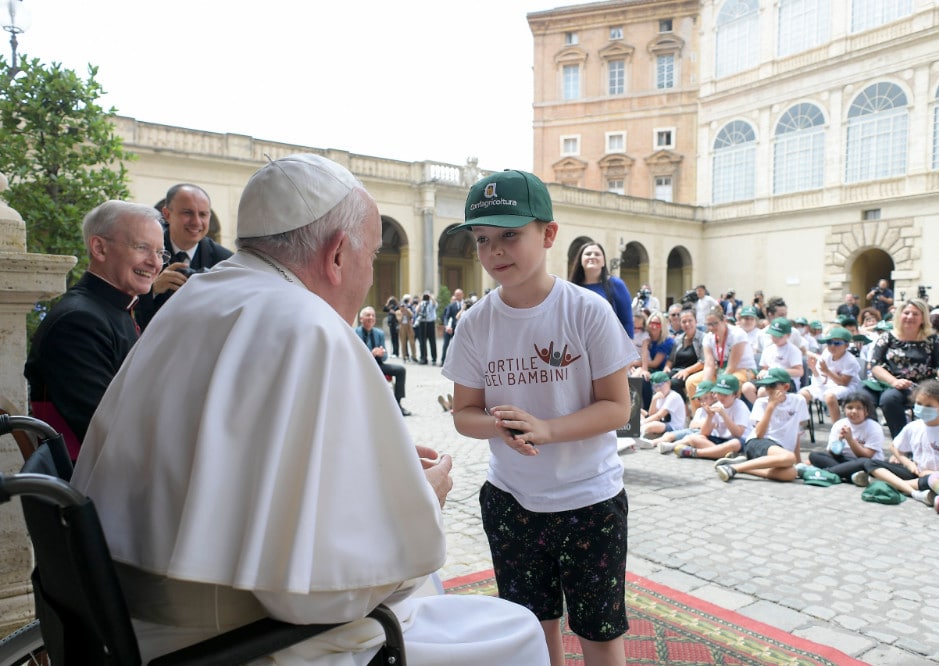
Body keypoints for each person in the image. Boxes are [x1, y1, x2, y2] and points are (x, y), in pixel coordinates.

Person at [70, 154, 548, 664]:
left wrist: (370, 462)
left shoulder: (195, 298)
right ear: (339, 253)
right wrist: (419, 498)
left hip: (134, 618)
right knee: (516, 631)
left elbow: (244, 461)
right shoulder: (310, 328)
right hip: (241, 641)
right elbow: (325, 592)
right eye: (372, 255)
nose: (368, 277)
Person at [442, 169, 637, 666]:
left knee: (600, 631)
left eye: (511, 235)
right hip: (511, 503)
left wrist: (548, 429)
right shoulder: (475, 322)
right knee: (531, 631)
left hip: (589, 501)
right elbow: (466, 414)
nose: (495, 252)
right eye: (483, 240)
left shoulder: (587, 311)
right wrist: (500, 426)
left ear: (548, 234)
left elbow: (618, 406)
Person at [24, 200, 165, 459]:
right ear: (99, 247)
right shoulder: (77, 322)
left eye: (160, 252)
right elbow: (107, 429)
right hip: (91, 483)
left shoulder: (114, 308)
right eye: (142, 247)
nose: (155, 263)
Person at [134, 184, 233, 328]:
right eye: (187, 213)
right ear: (167, 215)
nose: (196, 222)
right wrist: (153, 289)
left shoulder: (225, 260)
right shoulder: (142, 252)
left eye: (203, 214)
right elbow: (125, 304)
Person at [857, 380, 939, 505]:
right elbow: (894, 447)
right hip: (916, 473)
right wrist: (908, 463)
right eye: (919, 403)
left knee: (931, 480)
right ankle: (912, 491)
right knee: (871, 464)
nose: (923, 408)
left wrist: (938, 473)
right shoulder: (913, 426)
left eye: (929, 406)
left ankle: (891, 483)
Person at [866, 299, 939, 438]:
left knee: (891, 399)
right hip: (891, 382)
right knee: (877, 398)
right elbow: (875, 365)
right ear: (899, 315)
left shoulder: (933, 339)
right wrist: (894, 382)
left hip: (923, 385)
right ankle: (899, 441)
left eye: (915, 314)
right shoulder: (887, 337)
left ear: (923, 318)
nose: (910, 317)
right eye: (906, 313)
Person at [715, 368, 809, 483]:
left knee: (790, 473)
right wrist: (771, 407)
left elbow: (796, 432)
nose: (768, 389)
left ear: (786, 387)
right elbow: (759, 434)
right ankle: (734, 468)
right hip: (758, 442)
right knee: (789, 457)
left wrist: (799, 461)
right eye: (766, 386)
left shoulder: (799, 401)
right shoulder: (761, 403)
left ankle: (745, 467)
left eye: (772, 385)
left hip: (780, 452)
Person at [806, 391, 884, 482]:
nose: (854, 411)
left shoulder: (874, 427)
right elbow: (833, 453)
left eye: (859, 408)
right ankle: (851, 476)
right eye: (850, 408)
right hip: (843, 460)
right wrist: (839, 440)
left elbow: (867, 456)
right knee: (815, 455)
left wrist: (850, 440)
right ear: (844, 409)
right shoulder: (839, 424)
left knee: (864, 463)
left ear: (866, 411)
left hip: (864, 463)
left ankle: (827, 472)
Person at [673, 374, 750, 461]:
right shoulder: (717, 405)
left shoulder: (740, 407)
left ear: (735, 394)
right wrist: (709, 416)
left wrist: (724, 415)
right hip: (720, 440)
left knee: (735, 443)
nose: (721, 397)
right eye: (719, 393)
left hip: (737, 441)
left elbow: (738, 434)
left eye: (725, 394)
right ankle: (723, 455)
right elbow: (704, 433)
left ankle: (695, 453)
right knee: (695, 437)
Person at [570, 242, 634, 337]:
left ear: (603, 261)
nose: (592, 256)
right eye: (588, 254)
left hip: (609, 344)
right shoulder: (572, 288)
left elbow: (627, 321)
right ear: (580, 260)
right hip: (578, 345)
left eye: (597, 254)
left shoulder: (616, 285)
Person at [357, 306, 412, 416]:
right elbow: (355, 355)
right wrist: (371, 354)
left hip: (378, 366)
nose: (371, 317)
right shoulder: (355, 333)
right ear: (361, 318)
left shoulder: (379, 333)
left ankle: (397, 405)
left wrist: (382, 354)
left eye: (373, 315)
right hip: (361, 368)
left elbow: (385, 356)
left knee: (401, 370)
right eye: (368, 315)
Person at [799, 327, 862, 422]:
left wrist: (827, 371)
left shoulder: (850, 360)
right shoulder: (826, 354)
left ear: (846, 345)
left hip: (848, 387)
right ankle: (801, 425)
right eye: (829, 343)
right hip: (828, 384)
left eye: (837, 343)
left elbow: (844, 383)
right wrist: (814, 370)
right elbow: (821, 380)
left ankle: (836, 428)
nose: (832, 346)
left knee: (829, 397)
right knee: (802, 395)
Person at [742, 317, 803, 404]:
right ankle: (760, 410)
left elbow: (799, 371)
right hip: (769, 379)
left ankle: (767, 413)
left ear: (788, 335)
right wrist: (763, 372)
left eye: (779, 336)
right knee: (746, 387)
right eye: (773, 335)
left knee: (763, 391)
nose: (776, 338)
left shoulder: (793, 350)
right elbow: (765, 368)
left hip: (785, 381)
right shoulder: (768, 349)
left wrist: (776, 371)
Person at [664, 308, 705, 400]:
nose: (687, 324)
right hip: (677, 370)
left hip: (694, 372)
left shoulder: (703, 338)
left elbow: (703, 361)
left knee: (674, 383)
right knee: (660, 380)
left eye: (690, 321)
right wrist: (666, 368)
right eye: (684, 321)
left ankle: (684, 410)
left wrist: (686, 371)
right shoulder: (678, 339)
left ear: (696, 321)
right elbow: (671, 360)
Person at [639, 371, 687, 440]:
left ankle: (639, 435)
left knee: (651, 425)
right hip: (662, 423)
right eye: (654, 386)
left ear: (668, 383)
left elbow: (659, 416)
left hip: (674, 427)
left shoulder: (673, 396)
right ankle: (638, 429)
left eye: (660, 385)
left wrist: (642, 423)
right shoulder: (659, 395)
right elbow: (651, 415)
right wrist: (654, 400)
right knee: (639, 411)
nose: (658, 389)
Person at [440, 288, 464, 364]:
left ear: (462, 295)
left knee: (461, 346)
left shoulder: (466, 305)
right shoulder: (451, 305)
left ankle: (459, 362)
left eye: (459, 295)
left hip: (462, 329)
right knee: (446, 344)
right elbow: (446, 317)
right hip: (451, 328)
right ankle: (443, 360)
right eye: (456, 295)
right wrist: (447, 326)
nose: (457, 296)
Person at [414, 291, 438, 365]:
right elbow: (417, 311)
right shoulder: (422, 303)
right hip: (422, 323)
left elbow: (435, 305)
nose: (426, 297)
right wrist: (421, 301)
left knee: (432, 341)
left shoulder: (432, 303)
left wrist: (431, 297)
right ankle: (423, 358)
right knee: (422, 342)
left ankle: (434, 358)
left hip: (430, 323)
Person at [399, 294, 417, 362]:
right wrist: (402, 313)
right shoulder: (398, 312)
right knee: (403, 343)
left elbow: (412, 315)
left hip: (409, 327)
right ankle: (404, 356)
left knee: (412, 342)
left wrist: (407, 310)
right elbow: (399, 320)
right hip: (402, 327)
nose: (403, 307)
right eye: (402, 306)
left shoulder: (408, 310)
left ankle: (414, 356)